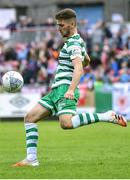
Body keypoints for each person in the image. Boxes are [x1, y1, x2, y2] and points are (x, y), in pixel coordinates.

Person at [13, 8, 127, 167]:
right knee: (30, 118)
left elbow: (80, 68)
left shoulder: (73, 43)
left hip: (65, 88)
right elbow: (86, 60)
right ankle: (31, 159)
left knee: (65, 123)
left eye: (61, 25)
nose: (58, 29)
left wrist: (71, 90)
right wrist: (80, 61)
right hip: (56, 90)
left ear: (71, 24)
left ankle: (106, 116)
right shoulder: (77, 41)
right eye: (58, 25)